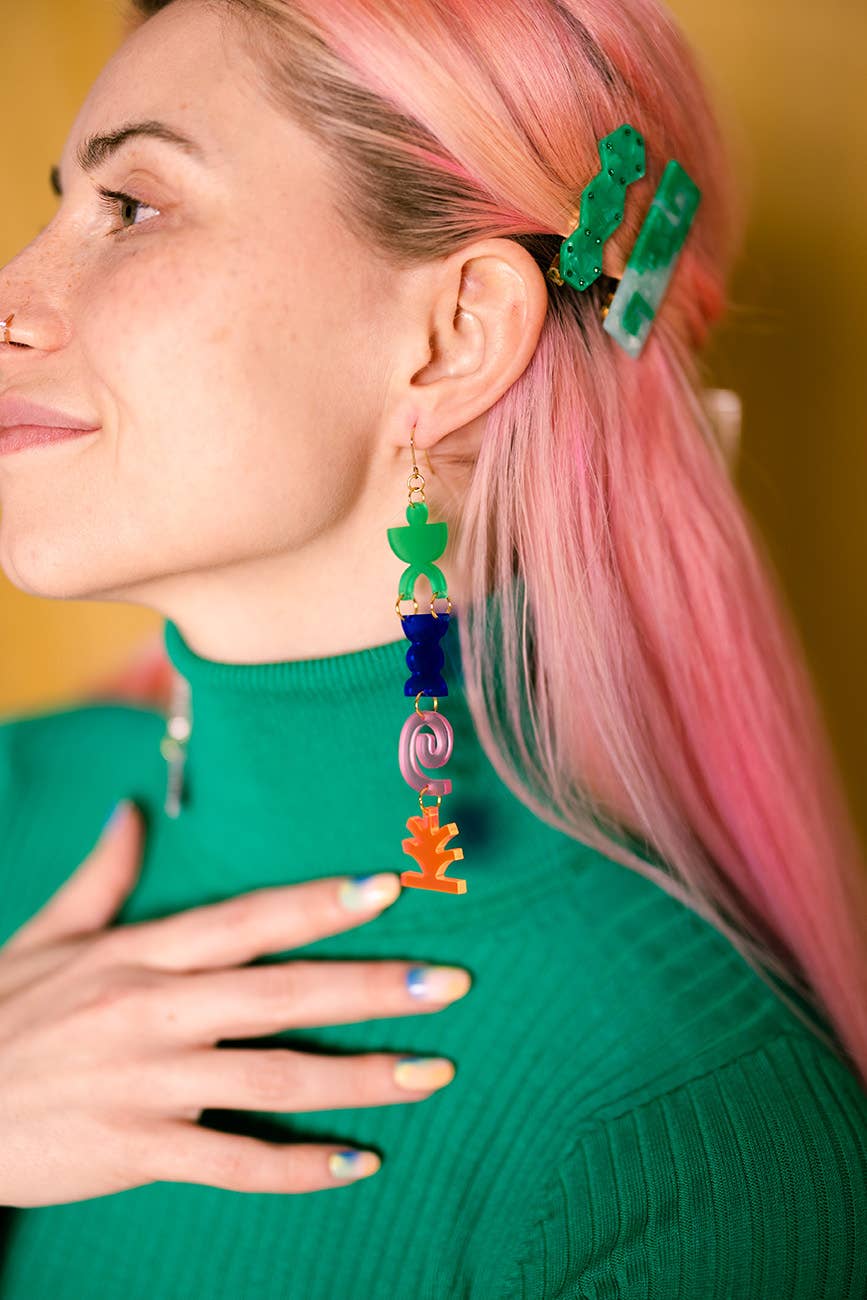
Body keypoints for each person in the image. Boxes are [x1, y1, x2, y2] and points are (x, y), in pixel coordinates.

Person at [0, 0, 864, 1296]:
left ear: (458, 330)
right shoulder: (16, 803)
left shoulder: (681, 1118)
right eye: (59, 206)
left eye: (133, 206)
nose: (14, 293)